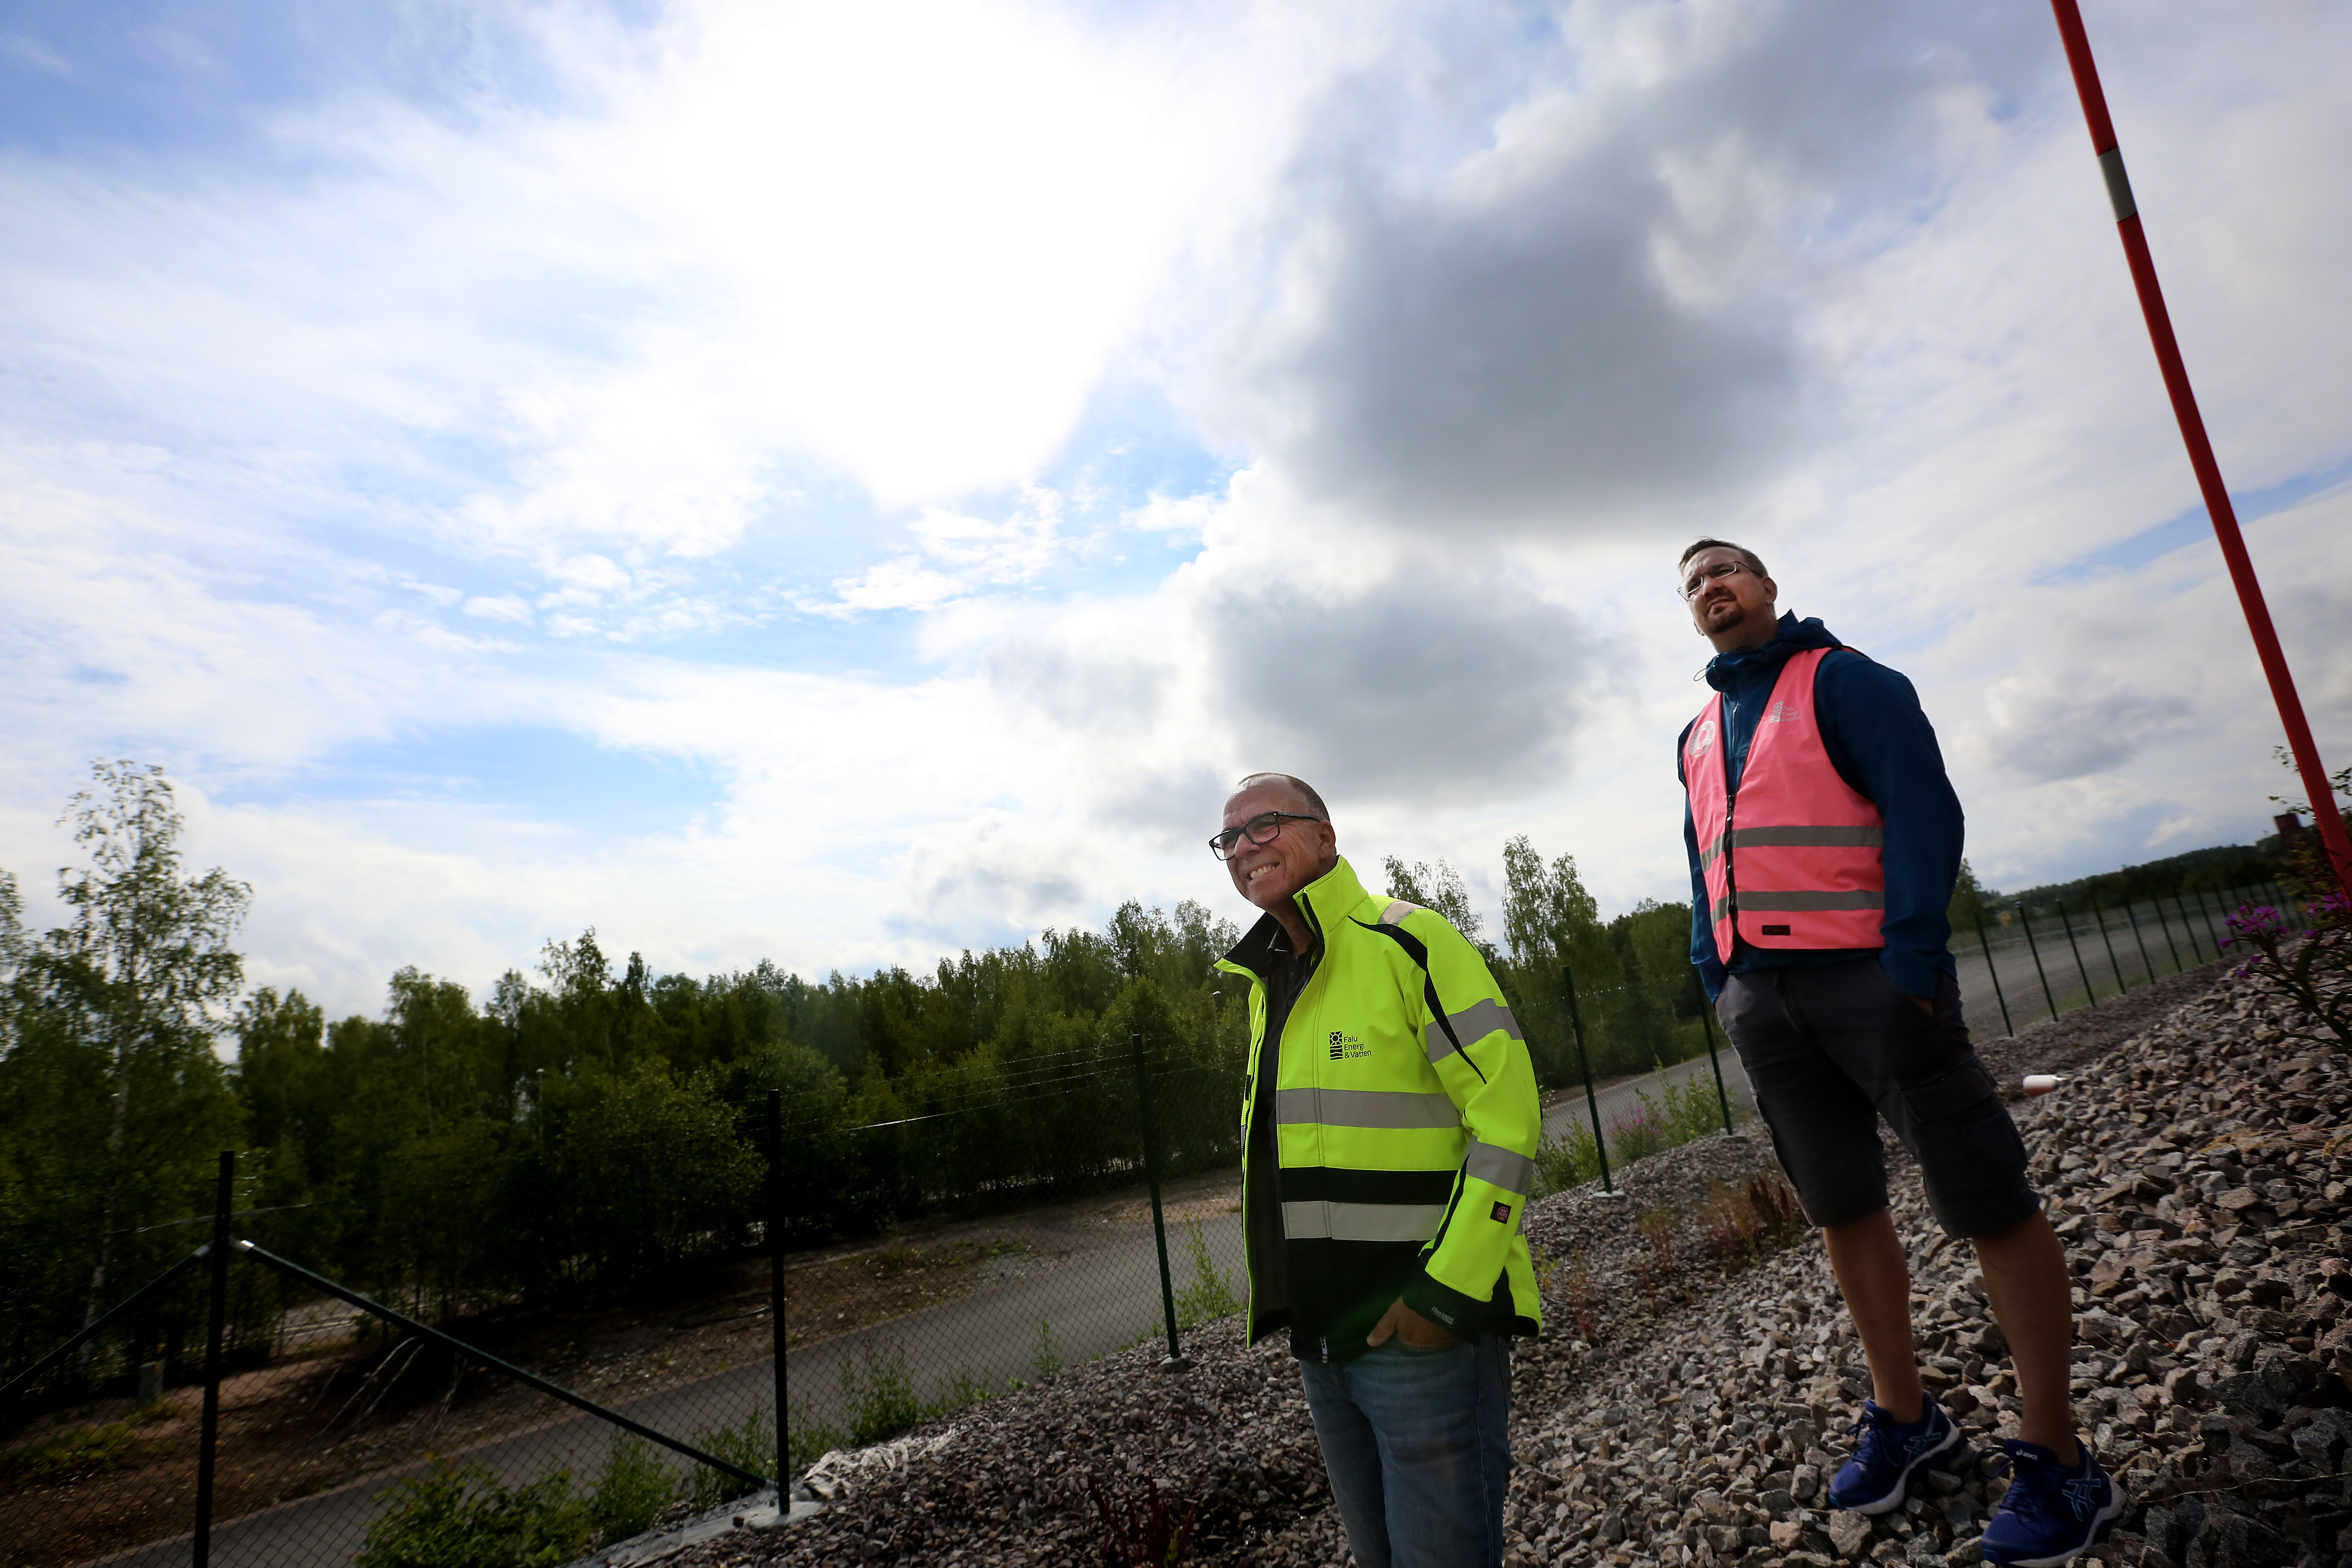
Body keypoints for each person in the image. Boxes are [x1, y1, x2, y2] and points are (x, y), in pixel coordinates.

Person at [1673, 539, 2122, 1567]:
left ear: (1769, 586)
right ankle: (1906, 1415)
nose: (1711, 588)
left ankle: (2058, 1456)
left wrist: (1911, 961)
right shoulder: (1698, 731)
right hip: (1764, 1005)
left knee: (1984, 1196)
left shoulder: (1849, 682)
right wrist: (1718, 975)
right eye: (1693, 583)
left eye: (1726, 570)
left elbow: (1927, 813)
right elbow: (1704, 863)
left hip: (1874, 984)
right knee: (1840, 1206)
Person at [1210, 773, 1542, 1568]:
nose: (1245, 848)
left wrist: (1448, 1292)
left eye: (1265, 826)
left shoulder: (1411, 941)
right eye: (1229, 839)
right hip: (1324, 1343)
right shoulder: (1269, 984)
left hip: (1421, 1334)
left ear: (1325, 836)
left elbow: (1509, 1116)